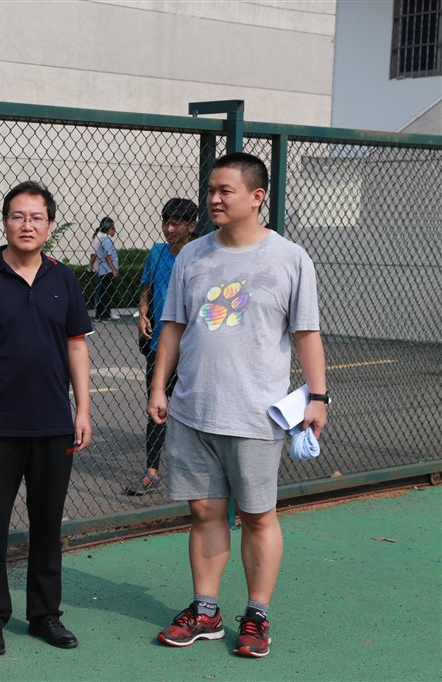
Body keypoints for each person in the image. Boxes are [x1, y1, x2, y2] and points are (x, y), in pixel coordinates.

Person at [147, 153, 328, 659]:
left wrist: (318, 396)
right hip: (192, 410)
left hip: (256, 416)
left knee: (258, 516)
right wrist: (159, 387)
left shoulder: (290, 258)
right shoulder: (191, 256)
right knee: (204, 512)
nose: (213, 199)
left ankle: (257, 615)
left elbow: (306, 333)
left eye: (224, 190)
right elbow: (173, 326)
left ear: (256, 196)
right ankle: (205, 612)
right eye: (210, 190)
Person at [0, 181, 93, 657]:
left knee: (47, 525)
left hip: (54, 425)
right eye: (18, 216)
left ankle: (45, 614)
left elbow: (77, 346)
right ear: (5, 221)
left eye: (36, 217)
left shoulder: (64, 279)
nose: (27, 225)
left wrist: (83, 409)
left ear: (49, 225)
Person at [126, 198, 198, 496]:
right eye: (166, 222)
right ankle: (152, 472)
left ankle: (192, 472)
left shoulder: (200, 255)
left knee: (191, 411)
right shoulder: (157, 253)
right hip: (159, 346)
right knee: (157, 408)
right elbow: (146, 290)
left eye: (176, 223)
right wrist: (143, 313)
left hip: (193, 349)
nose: (169, 229)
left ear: (191, 226)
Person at [92, 217, 119, 320]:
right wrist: (113, 269)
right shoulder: (106, 240)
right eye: (113, 229)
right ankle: (103, 315)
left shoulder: (103, 239)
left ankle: (101, 315)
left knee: (104, 292)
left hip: (104, 270)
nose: (115, 232)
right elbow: (107, 256)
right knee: (107, 293)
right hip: (107, 270)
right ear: (110, 230)